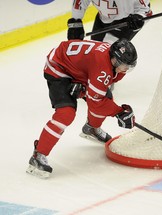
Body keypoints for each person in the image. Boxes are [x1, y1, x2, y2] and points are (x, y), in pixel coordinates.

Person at [26, 38, 137, 179]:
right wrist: (119, 112)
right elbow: (97, 103)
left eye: (130, 66)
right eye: (125, 65)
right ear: (114, 60)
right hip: (58, 68)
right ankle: (38, 155)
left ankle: (91, 128)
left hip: (76, 68)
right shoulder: (102, 66)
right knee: (66, 114)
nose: (127, 69)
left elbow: (98, 94)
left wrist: (86, 88)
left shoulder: (111, 61)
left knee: (105, 98)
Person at [67, 0, 152, 44]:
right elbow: (80, 2)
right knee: (94, 49)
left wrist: (139, 17)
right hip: (103, 18)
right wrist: (75, 23)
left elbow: (146, 11)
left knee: (111, 55)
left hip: (127, 21)